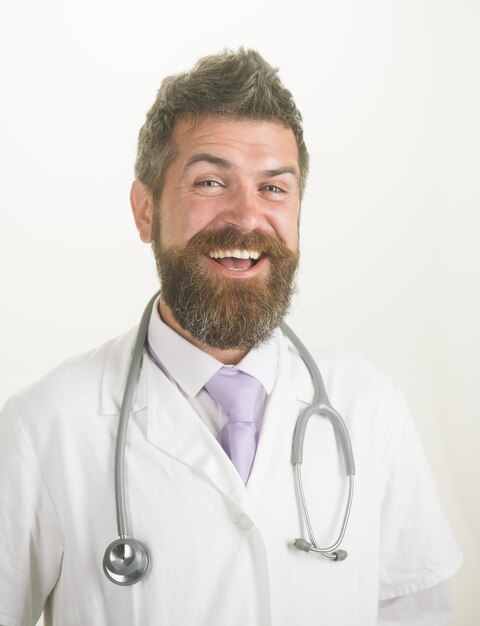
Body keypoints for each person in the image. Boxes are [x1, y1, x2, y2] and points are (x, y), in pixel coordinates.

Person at [0, 48, 462, 626]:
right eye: (211, 181)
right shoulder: (44, 425)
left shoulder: (371, 409)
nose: (247, 217)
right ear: (146, 210)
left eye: (274, 188)